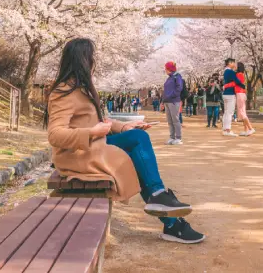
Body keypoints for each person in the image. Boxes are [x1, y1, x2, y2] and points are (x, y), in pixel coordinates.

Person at [45, 39, 205, 244]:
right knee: (137, 144)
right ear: (82, 61)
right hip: (75, 155)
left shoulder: (83, 88)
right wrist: (92, 132)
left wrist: (125, 127)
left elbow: (101, 122)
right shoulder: (63, 91)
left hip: (91, 147)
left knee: (136, 142)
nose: (94, 63)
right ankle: (167, 213)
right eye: (91, 58)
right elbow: (55, 135)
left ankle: (167, 214)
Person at [162, 61, 184, 145]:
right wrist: (163, 100)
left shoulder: (177, 76)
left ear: (169, 68)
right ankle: (172, 137)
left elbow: (179, 87)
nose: (165, 70)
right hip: (167, 101)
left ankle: (178, 138)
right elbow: (165, 90)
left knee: (175, 120)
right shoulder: (169, 78)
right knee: (170, 121)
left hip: (174, 101)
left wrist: (172, 95)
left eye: (166, 68)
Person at [234, 62, 255, 136]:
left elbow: (236, 83)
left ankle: (250, 128)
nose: (234, 66)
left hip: (239, 94)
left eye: (236, 66)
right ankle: (246, 130)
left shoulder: (238, 75)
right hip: (241, 93)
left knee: (242, 112)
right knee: (243, 112)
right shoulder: (241, 74)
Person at [221, 58, 239, 137]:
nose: (234, 65)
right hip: (230, 94)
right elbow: (237, 81)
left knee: (226, 112)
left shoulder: (225, 71)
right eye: (233, 63)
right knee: (230, 112)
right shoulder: (231, 72)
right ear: (230, 63)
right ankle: (228, 130)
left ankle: (225, 129)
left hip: (225, 94)